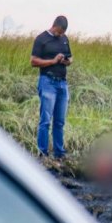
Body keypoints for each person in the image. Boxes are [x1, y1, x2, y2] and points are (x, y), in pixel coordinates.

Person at [31, 15, 73, 158]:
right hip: (47, 81)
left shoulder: (64, 39)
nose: (60, 35)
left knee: (60, 121)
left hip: (62, 83)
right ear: (54, 26)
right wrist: (53, 61)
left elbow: (71, 58)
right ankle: (42, 153)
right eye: (59, 32)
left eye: (62, 33)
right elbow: (33, 61)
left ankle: (59, 153)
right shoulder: (41, 39)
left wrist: (66, 61)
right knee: (46, 120)